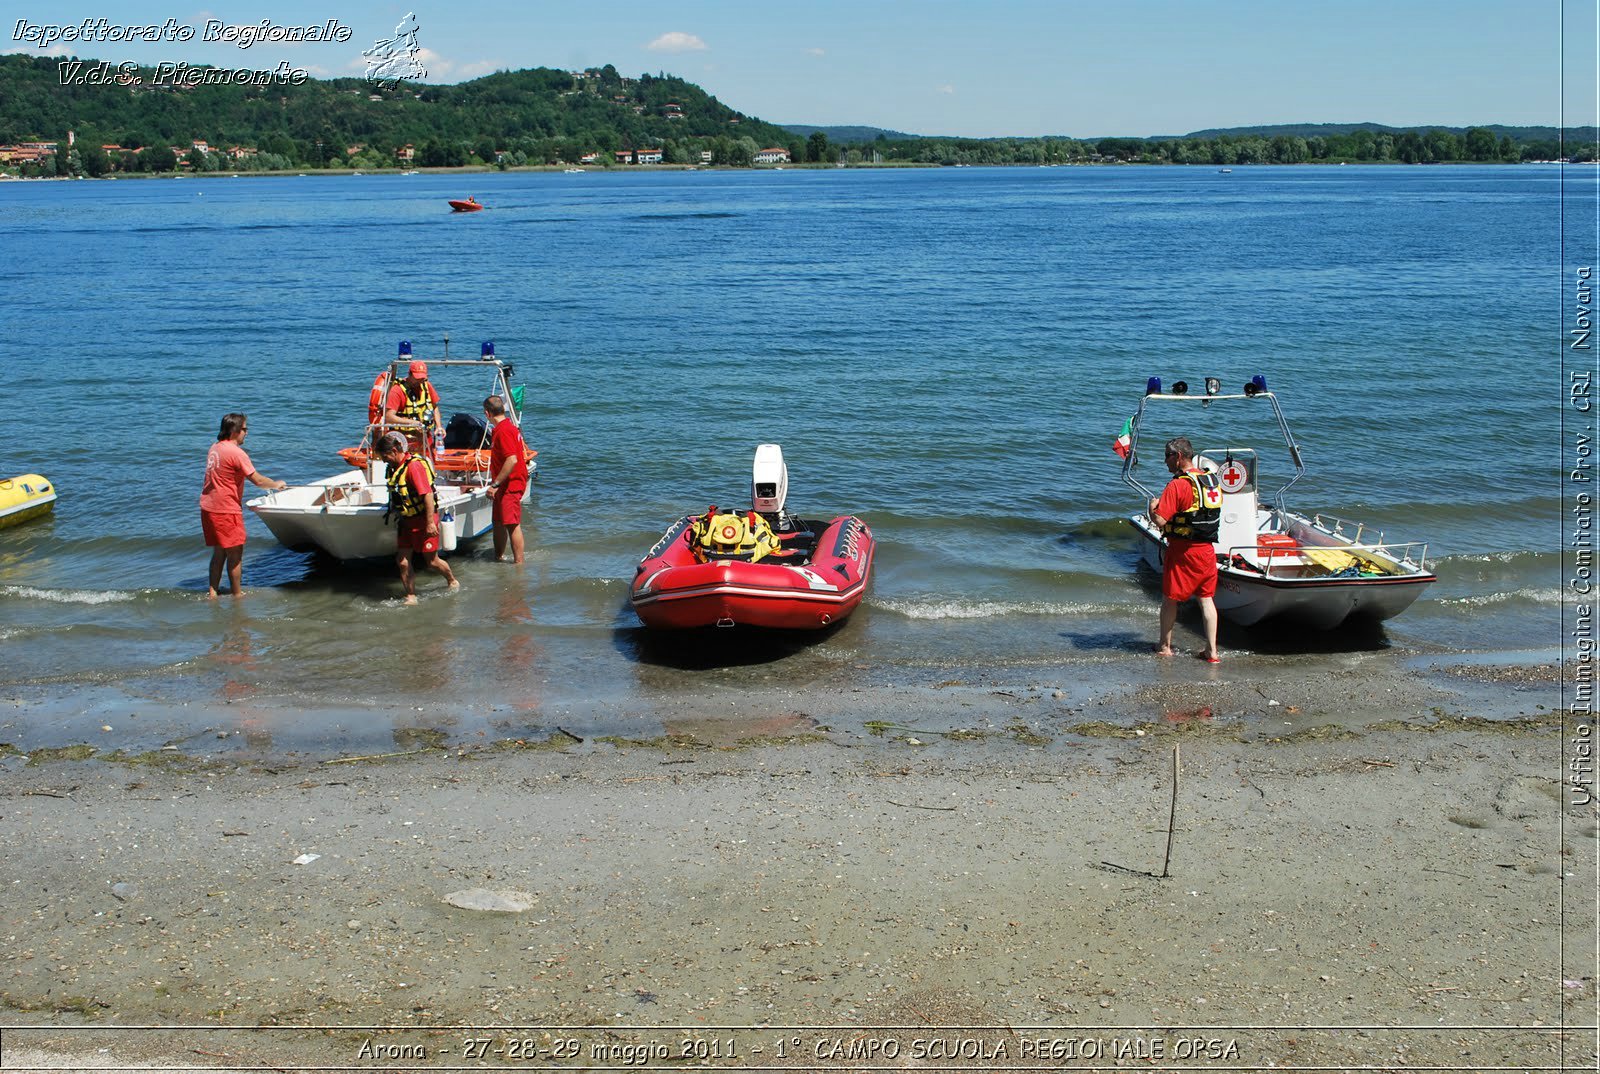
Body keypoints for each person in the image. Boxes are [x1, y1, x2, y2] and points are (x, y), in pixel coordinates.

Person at [1148, 436, 1223, 663]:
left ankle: (1164, 646)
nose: (1165, 462)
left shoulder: (1178, 484)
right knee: (1206, 598)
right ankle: (1212, 651)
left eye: (1167, 456)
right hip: (1207, 551)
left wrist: (1152, 506)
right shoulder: (1211, 481)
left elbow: (1160, 520)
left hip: (1183, 551)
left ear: (1178, 456)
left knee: (1170, 598)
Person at [200, 412, 287, 599]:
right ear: (235, 431)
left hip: (208, 506)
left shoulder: (214, 447)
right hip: (225, 508)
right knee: (235, 553)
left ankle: (213, 592)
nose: (247, 433)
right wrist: (276, 484)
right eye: (245, 429)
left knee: (219, 551)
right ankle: (237, 595)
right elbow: (257, 480)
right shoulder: (237, 453)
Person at [376, 431, 458, 604]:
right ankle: (411, 595)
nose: (384, 460)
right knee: (403, 561)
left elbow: (427, 495)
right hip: (406, 521)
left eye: (385, 456)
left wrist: (430, 523)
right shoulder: (392, 468)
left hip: (423, 519)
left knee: (432, 561)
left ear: (394, 450)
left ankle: (452, 580)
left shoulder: (414, 467)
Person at [483, 394, 528, 563]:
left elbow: (512, 460)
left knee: (511, 523)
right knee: (498, 521)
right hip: (503, 484)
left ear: (487, 414)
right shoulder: (505, 427)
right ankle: (498, 556)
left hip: (511, 483)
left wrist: (495, 484)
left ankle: (519, 563)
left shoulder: (504, 431)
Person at [382, 360, 442, 456]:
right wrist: (413, 423)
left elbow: (434, 407)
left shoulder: (427, 386)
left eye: (422, 378)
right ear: (409, 374)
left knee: (428, 464)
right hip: (403, 439)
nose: (419, 381)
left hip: (425, 438)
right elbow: (389, 417)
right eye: (417, 378)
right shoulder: (397, 391)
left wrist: (439, 427)